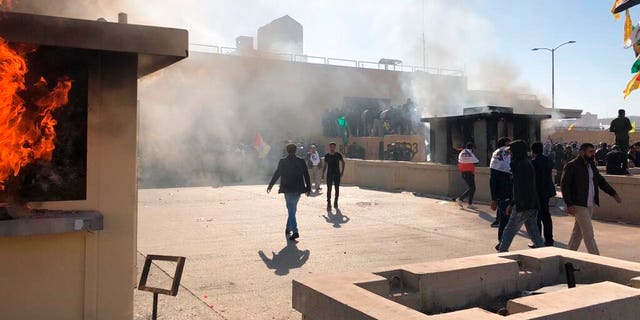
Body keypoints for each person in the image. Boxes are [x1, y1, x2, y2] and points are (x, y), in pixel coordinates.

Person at [561, 143, 622, 255]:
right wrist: (569, 204)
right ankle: (598, 260)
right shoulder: (572, 165)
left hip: (590, 204)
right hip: (578, 204)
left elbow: (601, 182)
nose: (593, 154)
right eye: (590, 152)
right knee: (589, 234)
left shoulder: (591, 166)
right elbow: (565, 186)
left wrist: (613, 194)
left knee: (577, 233)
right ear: (582, 152)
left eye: (593, 152)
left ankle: (568, 256)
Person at [498, 140, 545, 252]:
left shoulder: (520, 165)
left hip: (523, 204)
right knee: (533, 231)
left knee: (509, 230)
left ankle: (502, 253)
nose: (510, 154)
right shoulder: (526, 163)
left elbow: (519, 188)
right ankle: (543, 253)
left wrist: (512, 203)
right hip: (532, 203)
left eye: (511, 152)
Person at [267, 143, 311, 241]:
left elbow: (277, 173)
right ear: (296, 150)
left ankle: (295, 231)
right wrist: (308, 188)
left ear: (287, 150)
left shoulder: (283, 161)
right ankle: (288, 228)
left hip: (288, 189)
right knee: (292, 209)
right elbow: (306, 175)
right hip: (298, 189)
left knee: (291, 209)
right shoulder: (301, 160)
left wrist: (270, 185)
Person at [531, 142, 557, 247]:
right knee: (546, 216)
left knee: (537, 218)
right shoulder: (548, 160)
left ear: (533, 151)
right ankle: (549, 240)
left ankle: (538, 241)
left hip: (537, 192)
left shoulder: (533, 162)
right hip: (546, 191)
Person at [489, 137, 513, 250]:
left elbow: (492, 179)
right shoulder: (508, 153)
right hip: (508, 192)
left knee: (505, 219)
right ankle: (502, 244)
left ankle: (501, 243)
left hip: (502, 193)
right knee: (507, 220)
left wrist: (494, 198)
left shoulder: (495, 156)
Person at [456, 142, 480, 209]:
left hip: (463, 173)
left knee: (471, 188)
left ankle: (469, 203)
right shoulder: (470, 153)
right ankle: (460, 199)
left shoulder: (461, 152)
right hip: (469, 172)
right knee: (472, 188)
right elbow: (477, 161)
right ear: (471, 148)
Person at [323, 142, 345, 211]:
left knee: (336, 189)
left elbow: (343, 162)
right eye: (331, 147)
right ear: (329, 147)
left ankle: (336, 202)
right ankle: (329, 204)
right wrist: (323, 174)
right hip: (329, 174)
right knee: (329, 189)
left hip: (337, 174)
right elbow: (325, 165)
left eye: (333, 147)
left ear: (335, 147)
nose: (332, 148)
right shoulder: (327, 155)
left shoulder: (338, 155)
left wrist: (342, 172)